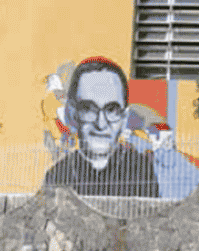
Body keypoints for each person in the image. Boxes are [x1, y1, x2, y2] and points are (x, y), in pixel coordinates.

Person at [44, 56, 159, 197]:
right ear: (73, 115)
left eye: (112, 110)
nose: (101, 124)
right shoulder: (57, 176)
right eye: (88, 109)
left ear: (124, 118)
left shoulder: (141, 172)